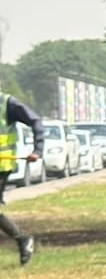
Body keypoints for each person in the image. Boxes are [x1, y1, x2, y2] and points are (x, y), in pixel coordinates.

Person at [0, 90, 43, 264]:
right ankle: (22, 239)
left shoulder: (7, 103)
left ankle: (22, 239)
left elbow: (36, 121)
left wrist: (37, 150)